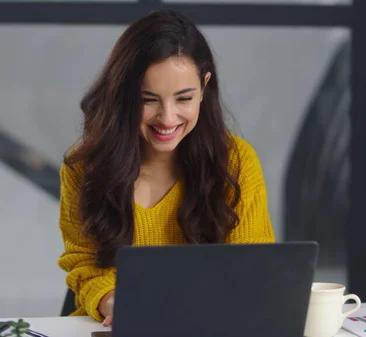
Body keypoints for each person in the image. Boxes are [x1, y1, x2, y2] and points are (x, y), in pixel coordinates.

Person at [56, 9, 275, 327]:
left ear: (204, 87)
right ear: (123, 95)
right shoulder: (84, 167)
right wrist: (113, 301)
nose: (168, 118)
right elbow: (84, 262)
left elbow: (252, 270)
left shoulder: (236, 162)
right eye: (148, 100)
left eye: (183, 98)